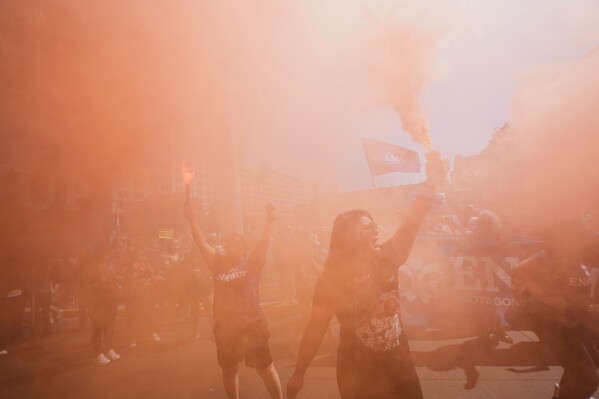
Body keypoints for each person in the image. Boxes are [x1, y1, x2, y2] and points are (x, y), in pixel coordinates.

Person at [286, 154, 446, 399]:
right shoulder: (330, 281)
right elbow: (315, 330)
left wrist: (431, 183)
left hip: (400, 371)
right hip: (357, 376)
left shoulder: (387, 259)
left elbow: (411, 223)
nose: (376, 229)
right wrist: (299, 373)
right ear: (348, 239)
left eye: (375, 224)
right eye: (367, 227)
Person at [184, 201, 283, 399]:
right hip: (226, 328)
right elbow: (201, 243)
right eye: (228, 242)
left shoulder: (252, 262)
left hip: (252, 325)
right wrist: (192, 220)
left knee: (266, 369)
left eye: (236, 243)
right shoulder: (218, 263)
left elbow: (264, 242)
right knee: (229, 370)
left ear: (243, 248)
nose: (230, 245)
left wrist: (269, 221)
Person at [508, 223, 599, 399]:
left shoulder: (582, 257)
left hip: (574, 323)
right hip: (553, 327)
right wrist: (547, 298)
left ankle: (564, 393)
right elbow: (520, 273)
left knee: (585, 368)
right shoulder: (547, 258)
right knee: (587, 376)